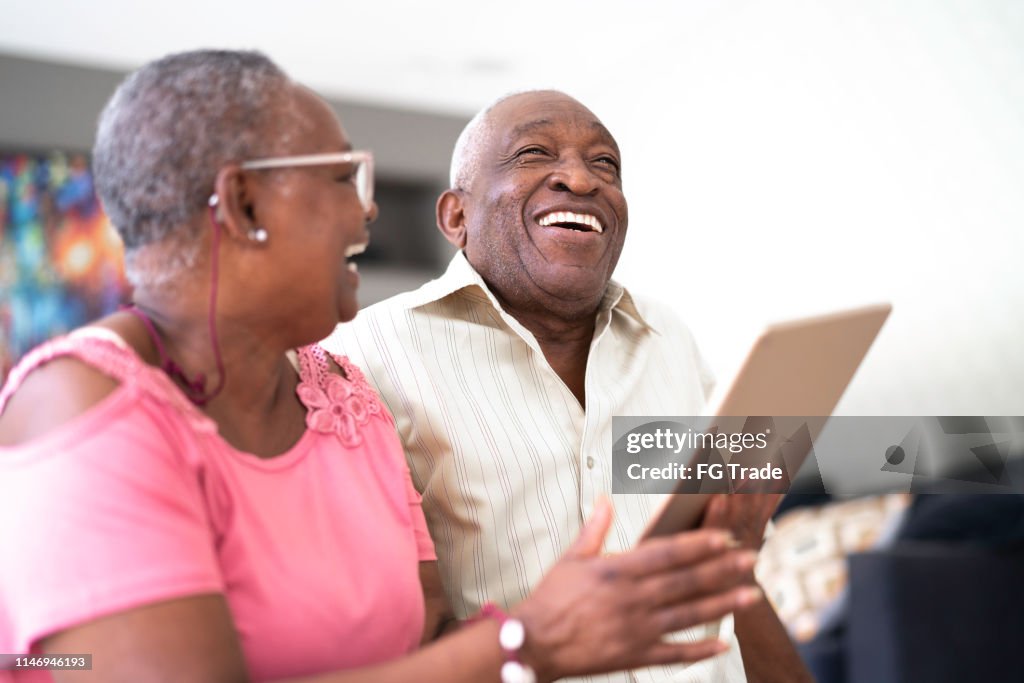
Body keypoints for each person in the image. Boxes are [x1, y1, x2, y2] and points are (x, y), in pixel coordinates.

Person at [0, 51, 763, 683]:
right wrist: (526, 643)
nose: (368, 211)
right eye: (343, 178)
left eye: (606, 163)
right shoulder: (81, 399)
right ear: (243, 205)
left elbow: (425, 635)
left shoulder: (343, 398)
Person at [324, 90, 813, 683]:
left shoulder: (670, 339)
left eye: (605, 163)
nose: (581, 180)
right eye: (534, 153)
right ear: (456, 216)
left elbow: (726, 578)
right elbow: (389, 635)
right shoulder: (363, 357)